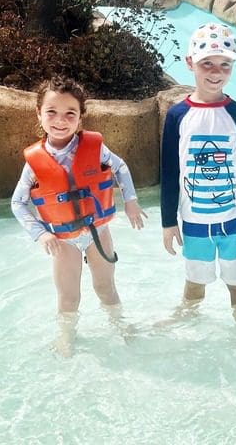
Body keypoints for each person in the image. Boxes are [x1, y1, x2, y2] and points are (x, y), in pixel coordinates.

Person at [12, 75, 146, 354]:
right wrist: (40, 233)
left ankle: (120, 326)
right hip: (64, 241)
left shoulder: (95, 149)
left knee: (106, 287)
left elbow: (120, 168)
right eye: (52, 112)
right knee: (69, 297)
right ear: (39, 113)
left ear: (80, 117)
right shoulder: (34, 164)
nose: (60, 120)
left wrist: (130, 200)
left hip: (98, 233)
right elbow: (18, 203)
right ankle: (66, 337)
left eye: (69, 114)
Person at [159, 22, 236, 345]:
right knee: (195, 282)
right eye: (207, 63)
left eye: (225, 65)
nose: (216, 72)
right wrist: (169, 222)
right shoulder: (177, 116)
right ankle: (186, 326)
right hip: (194, 223)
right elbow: (169, 172)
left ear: (233, 66)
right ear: (190, 63)